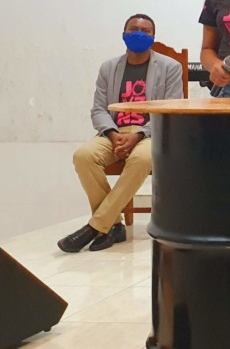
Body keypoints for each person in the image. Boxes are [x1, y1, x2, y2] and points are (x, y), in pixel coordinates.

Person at [58, 14, 184, 253]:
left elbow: (170, 110)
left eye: (145, 30)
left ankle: (96, 227)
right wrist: (114, 134)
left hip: (150, 133)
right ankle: (114, 225)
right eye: (134, 29)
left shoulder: (170, 67)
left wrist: (137, 136)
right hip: (113, 132)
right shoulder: (108, 67)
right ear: (123, 34)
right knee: (83, 156)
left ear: (153, 37)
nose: (139, 33)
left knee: (142, 159)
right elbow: (98, 108)